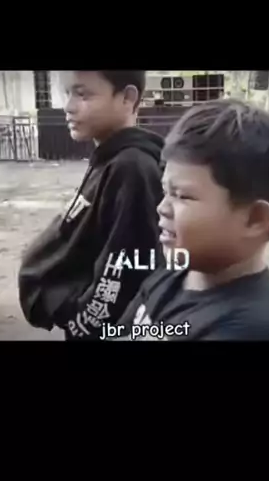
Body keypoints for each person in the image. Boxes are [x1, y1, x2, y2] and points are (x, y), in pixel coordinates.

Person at [116, 99, 269, 342]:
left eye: (182, 196)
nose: (162, 208)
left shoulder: (251, 331)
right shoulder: (173, 273)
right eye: (165, 191)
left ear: (254, 219)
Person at [18, 68, 164, 340]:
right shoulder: (110, 159)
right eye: (67, 94)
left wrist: (80, 321)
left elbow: (125, 274)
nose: (69, 107)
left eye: (82, 95)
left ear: (127, 98)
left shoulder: (131, 168)